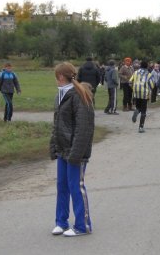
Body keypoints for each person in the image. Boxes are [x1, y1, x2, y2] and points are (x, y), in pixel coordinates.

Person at [50, 62, 95, 237]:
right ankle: (61, 222)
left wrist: (76, 154)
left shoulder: (79, 96)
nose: (56, 79)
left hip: (76, 152)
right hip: (63, 150)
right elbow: (57, 125)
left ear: (61, 76)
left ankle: (83, 225)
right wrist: (54, 146)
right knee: (62, 186)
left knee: (76, 186)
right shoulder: (60, 96)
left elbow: (83, 129)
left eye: (56, 76)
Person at [130, 60, 155, 133]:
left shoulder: (135, 72)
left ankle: (136, 111)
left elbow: (130, 81)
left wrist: (134, 88)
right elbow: (152, 85)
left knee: (138, 106)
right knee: (143, 111)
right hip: (144, 93)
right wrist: (149, 89)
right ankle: (141, 127)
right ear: (147, 66)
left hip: (136, 92)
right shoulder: (149, 74)